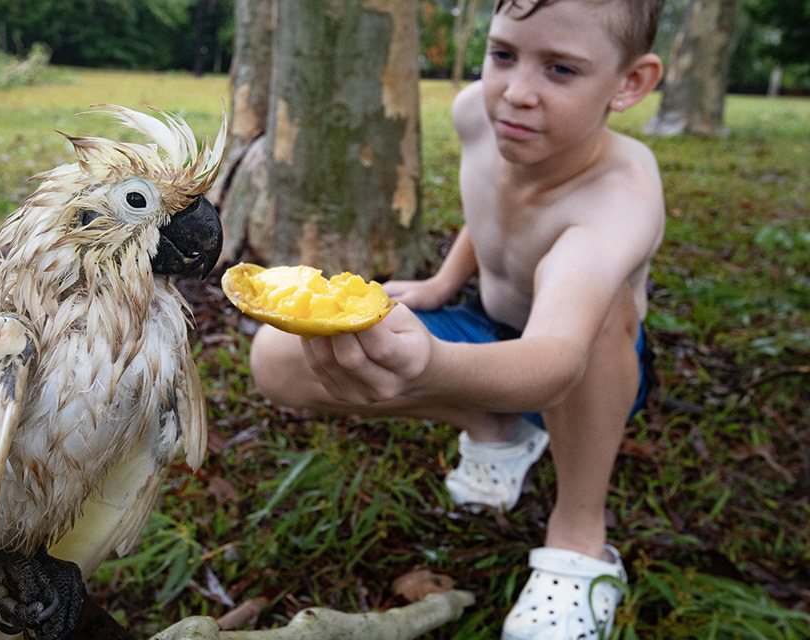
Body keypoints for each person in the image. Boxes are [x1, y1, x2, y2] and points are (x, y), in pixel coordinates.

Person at [249, 0, 665, 637]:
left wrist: (430, 365)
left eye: (560, 69)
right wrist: (444, 283)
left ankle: (580, 534)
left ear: (630, 83)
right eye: (503, 55)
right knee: (278, 356)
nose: (515, 93)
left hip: (582, 370)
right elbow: (496, 207)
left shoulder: (621, 195)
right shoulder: (479, 112)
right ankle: (493, 422)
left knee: (603, 308)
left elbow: (555, 360)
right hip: (489, 332)